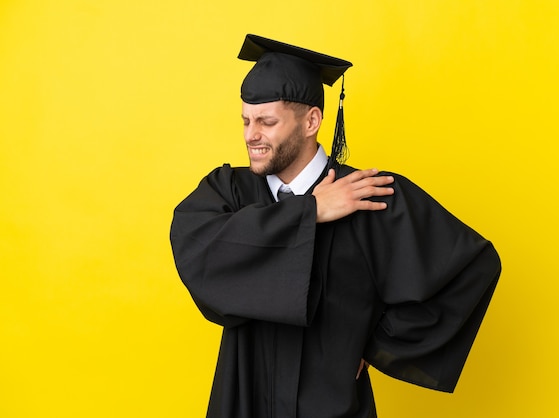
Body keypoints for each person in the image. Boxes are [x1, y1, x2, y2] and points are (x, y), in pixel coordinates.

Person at [170, 34, 501, 418]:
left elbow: (472, 267)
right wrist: (309, 212)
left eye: (267, 121)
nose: (250, 134)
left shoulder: (368, 195)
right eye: (245, 120)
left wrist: (378, 344)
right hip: (246, 397)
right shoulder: (229, 190)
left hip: (332, 403)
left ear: (311, 121)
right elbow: (197, 251)